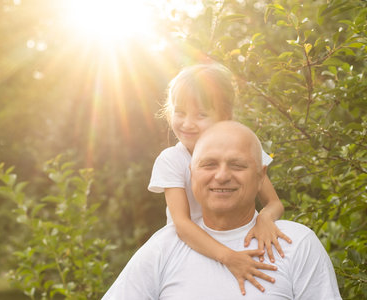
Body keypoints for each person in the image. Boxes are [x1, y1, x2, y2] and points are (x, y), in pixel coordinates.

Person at [102, 121, 342, 299]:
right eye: (209, 164)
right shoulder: (164, 247)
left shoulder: (296, 244)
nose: (222, 176)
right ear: (192, 174)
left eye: (237, 165)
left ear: (260, 177)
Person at [148, 63, 291, 293]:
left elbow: (274, 203)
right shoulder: (172, 160)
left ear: (225, 116)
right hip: (192, 249)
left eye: (201, 114)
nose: (187, 123)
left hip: (237, 238)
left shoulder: (243, 148)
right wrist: (230, 258)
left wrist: (265, 218)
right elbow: (182, 225)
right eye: (180, 112)